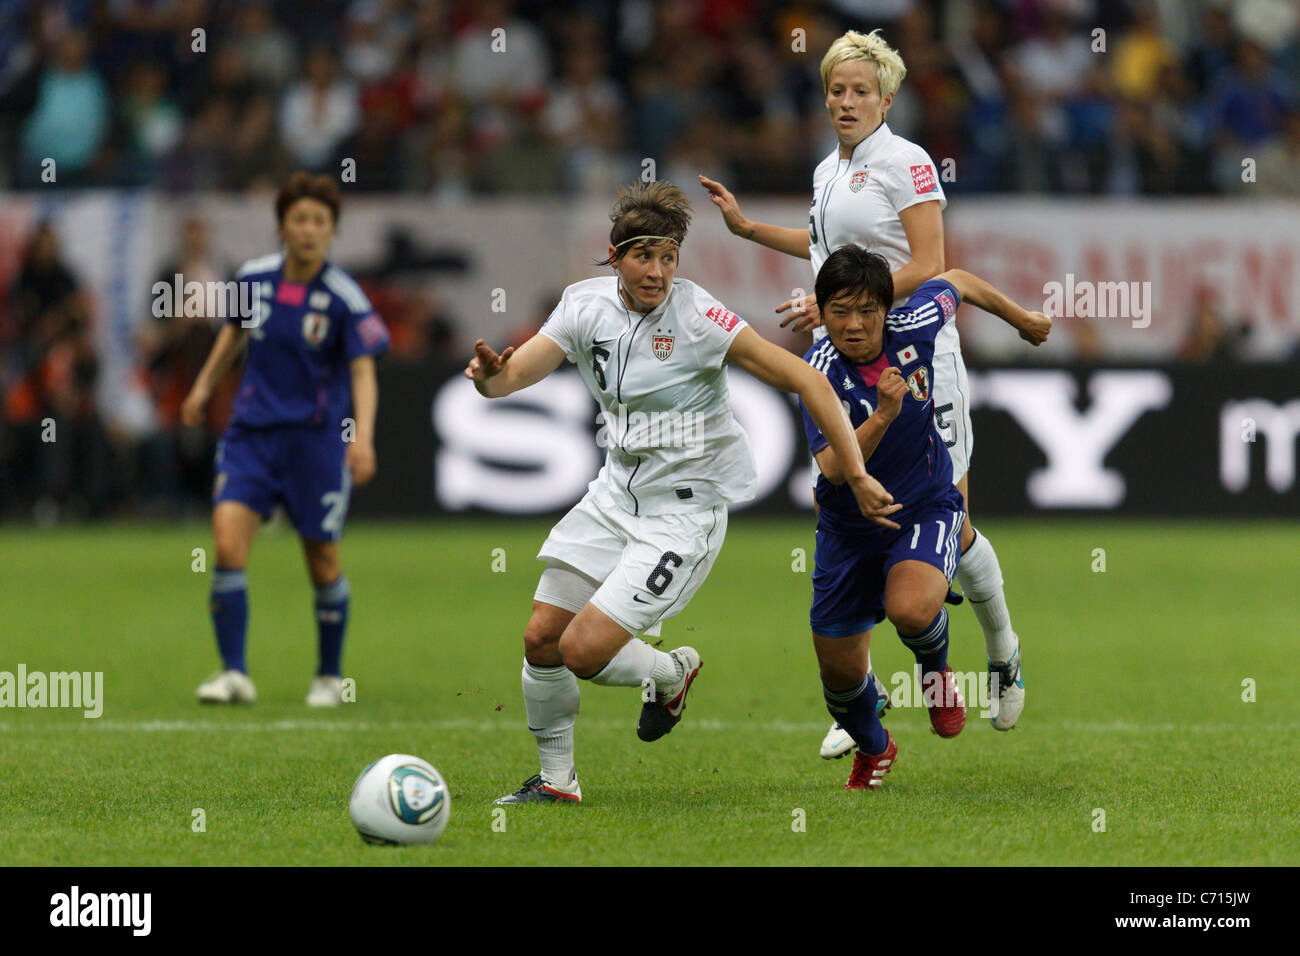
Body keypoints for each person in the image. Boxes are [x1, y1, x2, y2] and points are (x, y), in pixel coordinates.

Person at [467, 181, 899, 804]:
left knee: (583, 652)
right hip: (614, 496)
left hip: (683, 514)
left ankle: (671, 671)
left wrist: (856, 472)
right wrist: (487, 379)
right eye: (645, 257)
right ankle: (558, 782)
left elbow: (808, 379)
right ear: (615, 258)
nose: (659, 271)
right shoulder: (582, 306)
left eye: (669, 257)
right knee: (541, 638)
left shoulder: (699, 316)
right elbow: (512, 376)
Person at [700, 29, 1051, 754]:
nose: (847, 101)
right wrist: (747, 230)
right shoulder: (830, 168)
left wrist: (848, 304)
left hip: (919, 359)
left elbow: (930, 262)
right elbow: (826, 248)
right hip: (845, 353)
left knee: (946, 516)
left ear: (888, 97)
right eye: (836, 90)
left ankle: (1004, 653)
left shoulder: (908, 162)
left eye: (861, 90)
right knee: (850, 502)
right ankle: (857, 702)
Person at [801, 246, 1050, 790]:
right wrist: (886, 414)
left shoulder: (915, 326)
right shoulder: (817, 371)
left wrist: (1023, 320)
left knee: (911, 609)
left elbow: (957, 279)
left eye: (868, 311)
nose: (855, 325)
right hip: (847, 528)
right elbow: (831, 468)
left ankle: (936, 672)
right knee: (840, 680)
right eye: (839, 311)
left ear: (887, 310)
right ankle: (875, 746)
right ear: (821, 314)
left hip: (924, 506)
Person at [180, 172, 389, 706]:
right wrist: (203, 388)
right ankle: (233, 673)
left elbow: (363, 371)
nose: (309, 229)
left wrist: (361, 438)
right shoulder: (253, 278)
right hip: (250, 435)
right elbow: (234, 333)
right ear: (282, 226)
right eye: (299, 218)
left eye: (320, 220)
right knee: (227, 543)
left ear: (332, 230)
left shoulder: (344, 297)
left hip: (315, 445)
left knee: (321, 558)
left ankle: (328, 677)